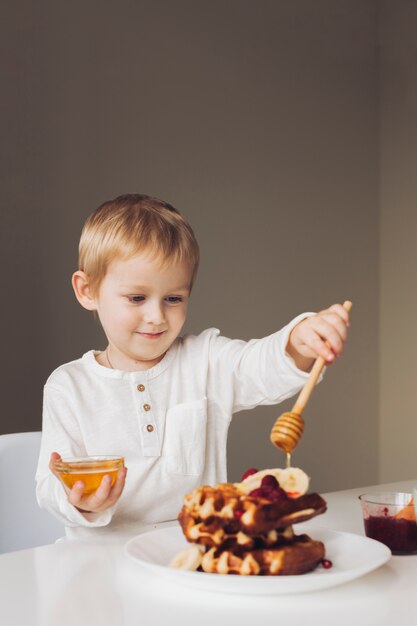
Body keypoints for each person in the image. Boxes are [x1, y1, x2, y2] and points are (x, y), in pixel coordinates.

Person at [36, 194, 350, 538]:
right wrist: (81, 502)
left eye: (173, 298)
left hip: (196, 552)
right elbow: (49, 489)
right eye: (137, 298)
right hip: (101, 567)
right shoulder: (68, 386)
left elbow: (260, 366)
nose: (156, 317)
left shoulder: (205, 360)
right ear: (87, 291)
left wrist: (298, 341)